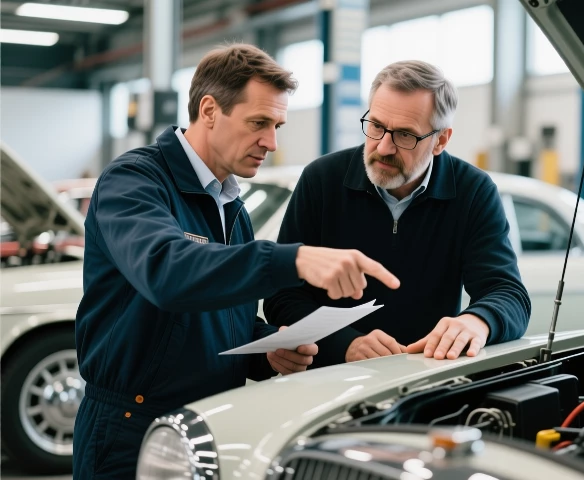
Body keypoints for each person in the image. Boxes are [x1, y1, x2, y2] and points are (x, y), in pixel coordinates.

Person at [72, 43, 399, 478]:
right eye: (259, 123)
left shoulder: (232, 208)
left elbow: (223, 320)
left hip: (209, 423)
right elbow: (168, 272)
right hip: (130, 428)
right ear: (209, 110)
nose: (272, 141)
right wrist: (295, 259)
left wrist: (267, 352)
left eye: (278, 124)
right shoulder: (135, 181)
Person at [264, 60, 531, 368]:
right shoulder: (322, 180)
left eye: (405, 135)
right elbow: (281, 296)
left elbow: (508, 293)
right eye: (376, 126)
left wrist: (478, 321)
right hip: (332, 378)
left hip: (424, 379)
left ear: (440, 140)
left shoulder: (472, 191)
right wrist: (345, 344)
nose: (384, 147)